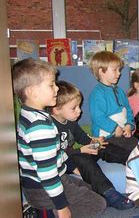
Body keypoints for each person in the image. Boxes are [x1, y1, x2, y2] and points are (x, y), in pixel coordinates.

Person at [12, 58, 106, 217]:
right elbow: (47, 174)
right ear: (32, 91)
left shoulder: (29, 114)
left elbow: (55, 152)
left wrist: (70, 166)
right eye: (51, 85)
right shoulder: (40, 127)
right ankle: (47, 212)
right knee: (98, 204)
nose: (56, 88)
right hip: (42, 188)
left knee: (89, 188)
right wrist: (62, 207)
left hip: (43, 182)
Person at [50, 80, 134, 210]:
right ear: (56, 110)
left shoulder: (71, 122)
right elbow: (54, 155)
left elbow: (83, 138)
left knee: (103, 145)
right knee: (82, 159)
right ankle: (108, 192)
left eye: (79, 106)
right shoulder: (49, 127)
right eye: (74, 108)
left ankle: (134, 160)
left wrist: (94, 142)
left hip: (78, 152)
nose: (79, 111)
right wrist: (81, 150)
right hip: (64, 161)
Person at [88, 51, 137, 152]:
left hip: (122, 133)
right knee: (130, 150)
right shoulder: (97, 94)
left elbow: (128, 110)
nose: (119, 73)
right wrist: (114, 128)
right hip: (105, 138)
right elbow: (98, 117)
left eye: (119, 70)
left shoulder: (119, 91)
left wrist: (129, 125)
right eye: (115, 70)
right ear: (102, 71)